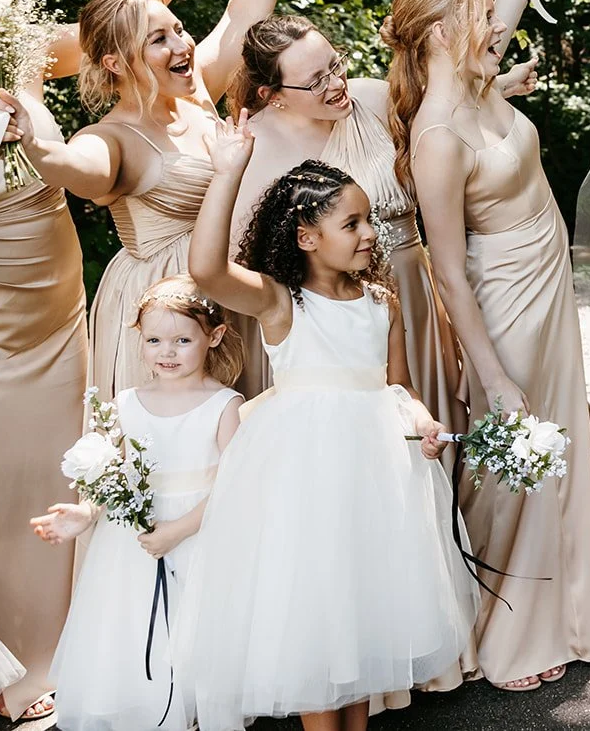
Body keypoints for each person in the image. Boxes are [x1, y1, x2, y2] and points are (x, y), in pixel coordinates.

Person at [0, 0, 210, 724]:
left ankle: (66, 647)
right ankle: (6, 665)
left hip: (59, 309)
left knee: (61, 468)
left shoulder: (5, 48)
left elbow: (103, 43)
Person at [383, 0, 590, 692]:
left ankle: (569, 603)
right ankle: (500, 621)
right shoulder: (439, 131)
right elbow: (447, 270)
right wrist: (490, 373)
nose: (497, 30)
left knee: (558, 443)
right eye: (482, 22)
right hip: (504, 298)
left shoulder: (478, 79)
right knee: (512, 457)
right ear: (444, 34)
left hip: (548, 282)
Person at [179, 123, 475, 731]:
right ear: (307, 237)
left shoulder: (380, 300)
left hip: (373, 471)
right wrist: (228, 170)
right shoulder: (283, 302)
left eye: (369, 220)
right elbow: (206, 270)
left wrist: (421, 421)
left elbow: (395, 386)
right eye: (353, 224)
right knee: (319, 608)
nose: (371, 234)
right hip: (306, 472)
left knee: (361, 606)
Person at [5, 0, 297, 399]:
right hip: (169, 311)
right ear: (116, 61)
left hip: (237, 289)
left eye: (178, 29)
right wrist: (34, 145)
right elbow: (79, 167)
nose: (182, 43)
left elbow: (239, 20)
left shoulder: (197, 91)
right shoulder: (112, 137)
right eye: (158, 39)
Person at [220, 12, 537, 421]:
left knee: (428, 426)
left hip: (414, 292)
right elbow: (240, 264)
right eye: (316, 81)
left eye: (336, 65)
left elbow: (446, 114)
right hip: (332, 326)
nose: (336, 85)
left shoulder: (373, 99)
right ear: (272, 94)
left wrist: (502, 85)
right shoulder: (253, 149)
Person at [32, 275, 244, 731]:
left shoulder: (224, 405)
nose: (166, 352)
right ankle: (143, 708)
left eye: (182, 340)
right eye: (154, 340)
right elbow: (112, 479)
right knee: (128, 626)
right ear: (140, 340)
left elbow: (235, 487)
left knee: (192, 630)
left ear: (215, 336)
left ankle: (189, 711)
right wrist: (84, 514)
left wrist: (179, 530)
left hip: (197, 535)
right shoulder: (126, 403)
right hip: (133, 543)